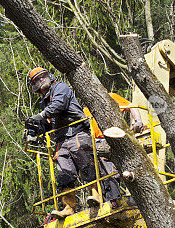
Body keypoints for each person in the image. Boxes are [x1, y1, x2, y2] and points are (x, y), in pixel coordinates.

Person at [25, 67, 126, 219]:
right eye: (37, 79)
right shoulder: (43, 103)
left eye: (43, 76)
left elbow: (60, 104)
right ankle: (68, 207)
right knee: (64, 174)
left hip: (77, 132)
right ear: (35, 86)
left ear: (48, 76)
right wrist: (34, 130)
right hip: (61, 140)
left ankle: (96, 195)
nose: (41, 80)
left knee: (87, 164)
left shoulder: (60, 87)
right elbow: (47, 123)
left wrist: (40, 115)